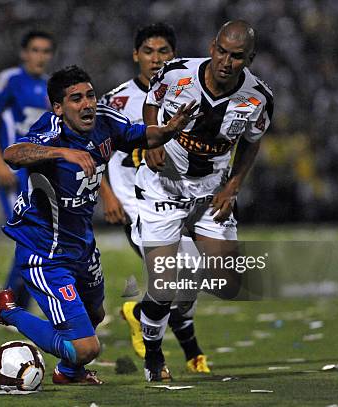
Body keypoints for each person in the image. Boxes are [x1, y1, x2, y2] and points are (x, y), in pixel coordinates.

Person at [0, 65, 200, 385]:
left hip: (81, 245)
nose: (87, 104)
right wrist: (61, 154)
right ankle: (6, 309)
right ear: (58, 107)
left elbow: (142, 135)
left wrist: (169, 129)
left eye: (90, 95)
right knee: (86, 347)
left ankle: (68, 374)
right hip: (45, 250)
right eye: (76, 99)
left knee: (95, 314)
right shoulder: (51, 131)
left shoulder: (107, 121)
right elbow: (13, 153)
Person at [135, 20, 274, 381]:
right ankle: (153, 354)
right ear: (213, 47)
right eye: (222, 52)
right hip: (162, 187)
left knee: (226, 282)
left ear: (250, 59)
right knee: (165, 285)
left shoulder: (259, 98)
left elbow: (252, 141)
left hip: (212, 191)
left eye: (237, 57)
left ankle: (158, 298)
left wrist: (234, 186)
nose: (226, 62)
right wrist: (152, 141)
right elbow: (152, 103)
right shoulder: (175, 74)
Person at [99, 23, 209, 375]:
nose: (156, 58)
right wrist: (108, 194)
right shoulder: (117, 100)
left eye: (163, 52)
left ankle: (140, 317)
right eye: (149, 51)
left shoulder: (189, 93)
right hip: (136, 202)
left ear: (173, 56)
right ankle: (182, 355)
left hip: (178, 197)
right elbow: (94, 150)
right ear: (136, 55)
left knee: (187, 274)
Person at [0, 30, 55, 308]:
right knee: (29, 235)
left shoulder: (50, 86)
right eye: (35, 50)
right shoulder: (10, 80)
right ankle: (9, 301)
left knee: (39, 237)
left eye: (46, 51)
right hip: (14, 172)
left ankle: (13, 302)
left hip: (40, 174)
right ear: (24, 53)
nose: (40, 56)